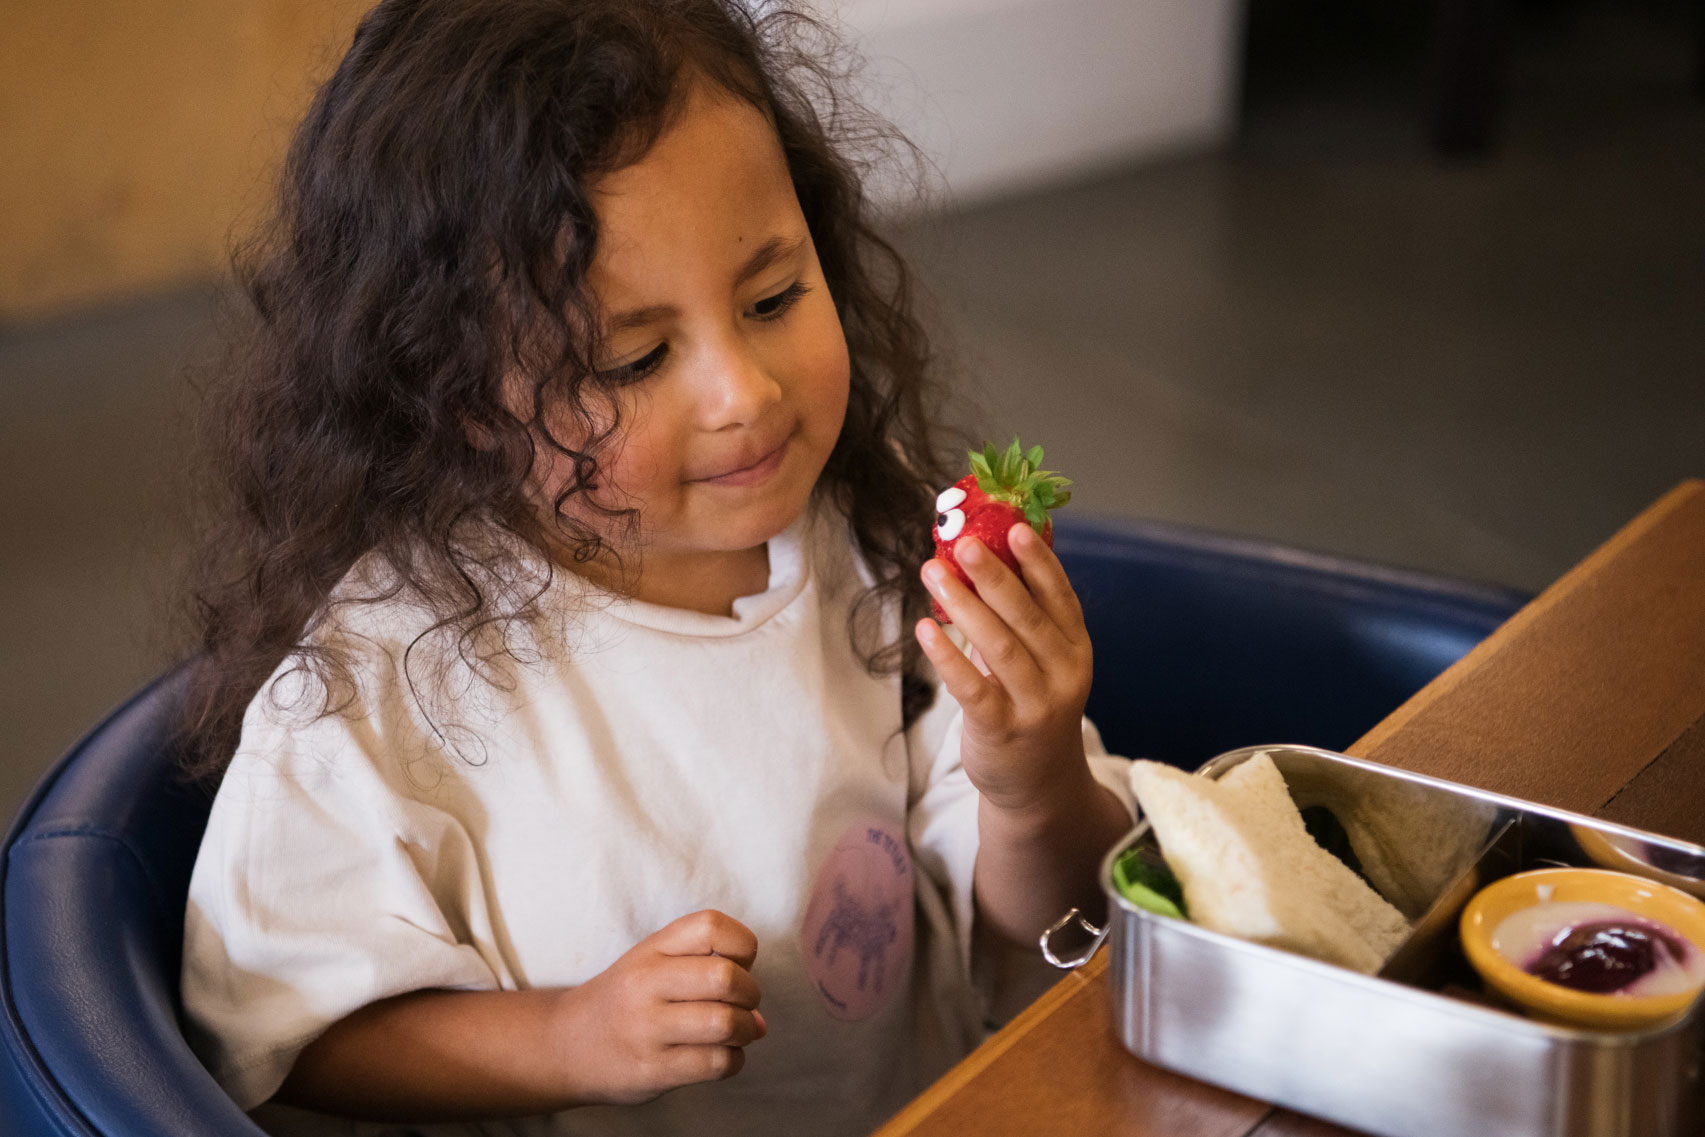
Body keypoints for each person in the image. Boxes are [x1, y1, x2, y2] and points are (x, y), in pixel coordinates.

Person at [177, 2, 1135, 1134]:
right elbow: (285, 1036)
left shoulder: (864, 531)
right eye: (633, 357)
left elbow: (1046, 942)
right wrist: (567, 1039)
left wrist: (1030, 785)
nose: (745, 394)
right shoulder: (381, 677)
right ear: (460, 400)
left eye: (775, 295)